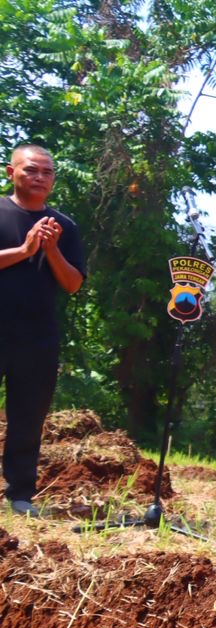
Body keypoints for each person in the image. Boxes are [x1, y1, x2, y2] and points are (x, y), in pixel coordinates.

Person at [0, 144, 85, 517]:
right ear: (10, 172)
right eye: (31, 170)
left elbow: (73, 283)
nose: (39, 178)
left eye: (47, 172)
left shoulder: (64, 226)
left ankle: (20, 494)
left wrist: (50, 249)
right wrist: (25, 248)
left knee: (29, 417)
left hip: (37, 337)